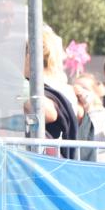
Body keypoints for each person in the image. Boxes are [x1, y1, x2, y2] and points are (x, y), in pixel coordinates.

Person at [23, 25, 80, 158]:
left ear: (30, 55)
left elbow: (46, 115)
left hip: (43, 162)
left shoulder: (31, 87)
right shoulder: (67, 88)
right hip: (62, 162)